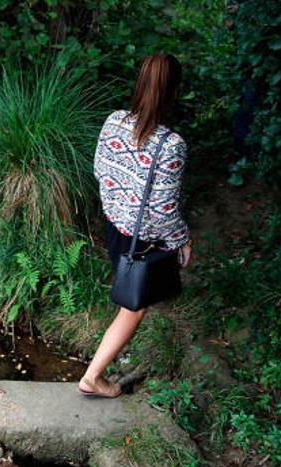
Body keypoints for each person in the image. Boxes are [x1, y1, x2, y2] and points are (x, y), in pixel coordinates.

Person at [79, 53, 192, 398]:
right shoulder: (171, 145)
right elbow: (163, 211)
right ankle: (93, 377)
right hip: (142, 238)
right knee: (134, 305)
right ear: (174, 93)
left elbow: (99, 172)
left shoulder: (113, 121)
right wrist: (182, 240)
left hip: (114, 226)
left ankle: (96, 372)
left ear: (140, 84)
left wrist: (118, 207)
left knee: (130, 295)